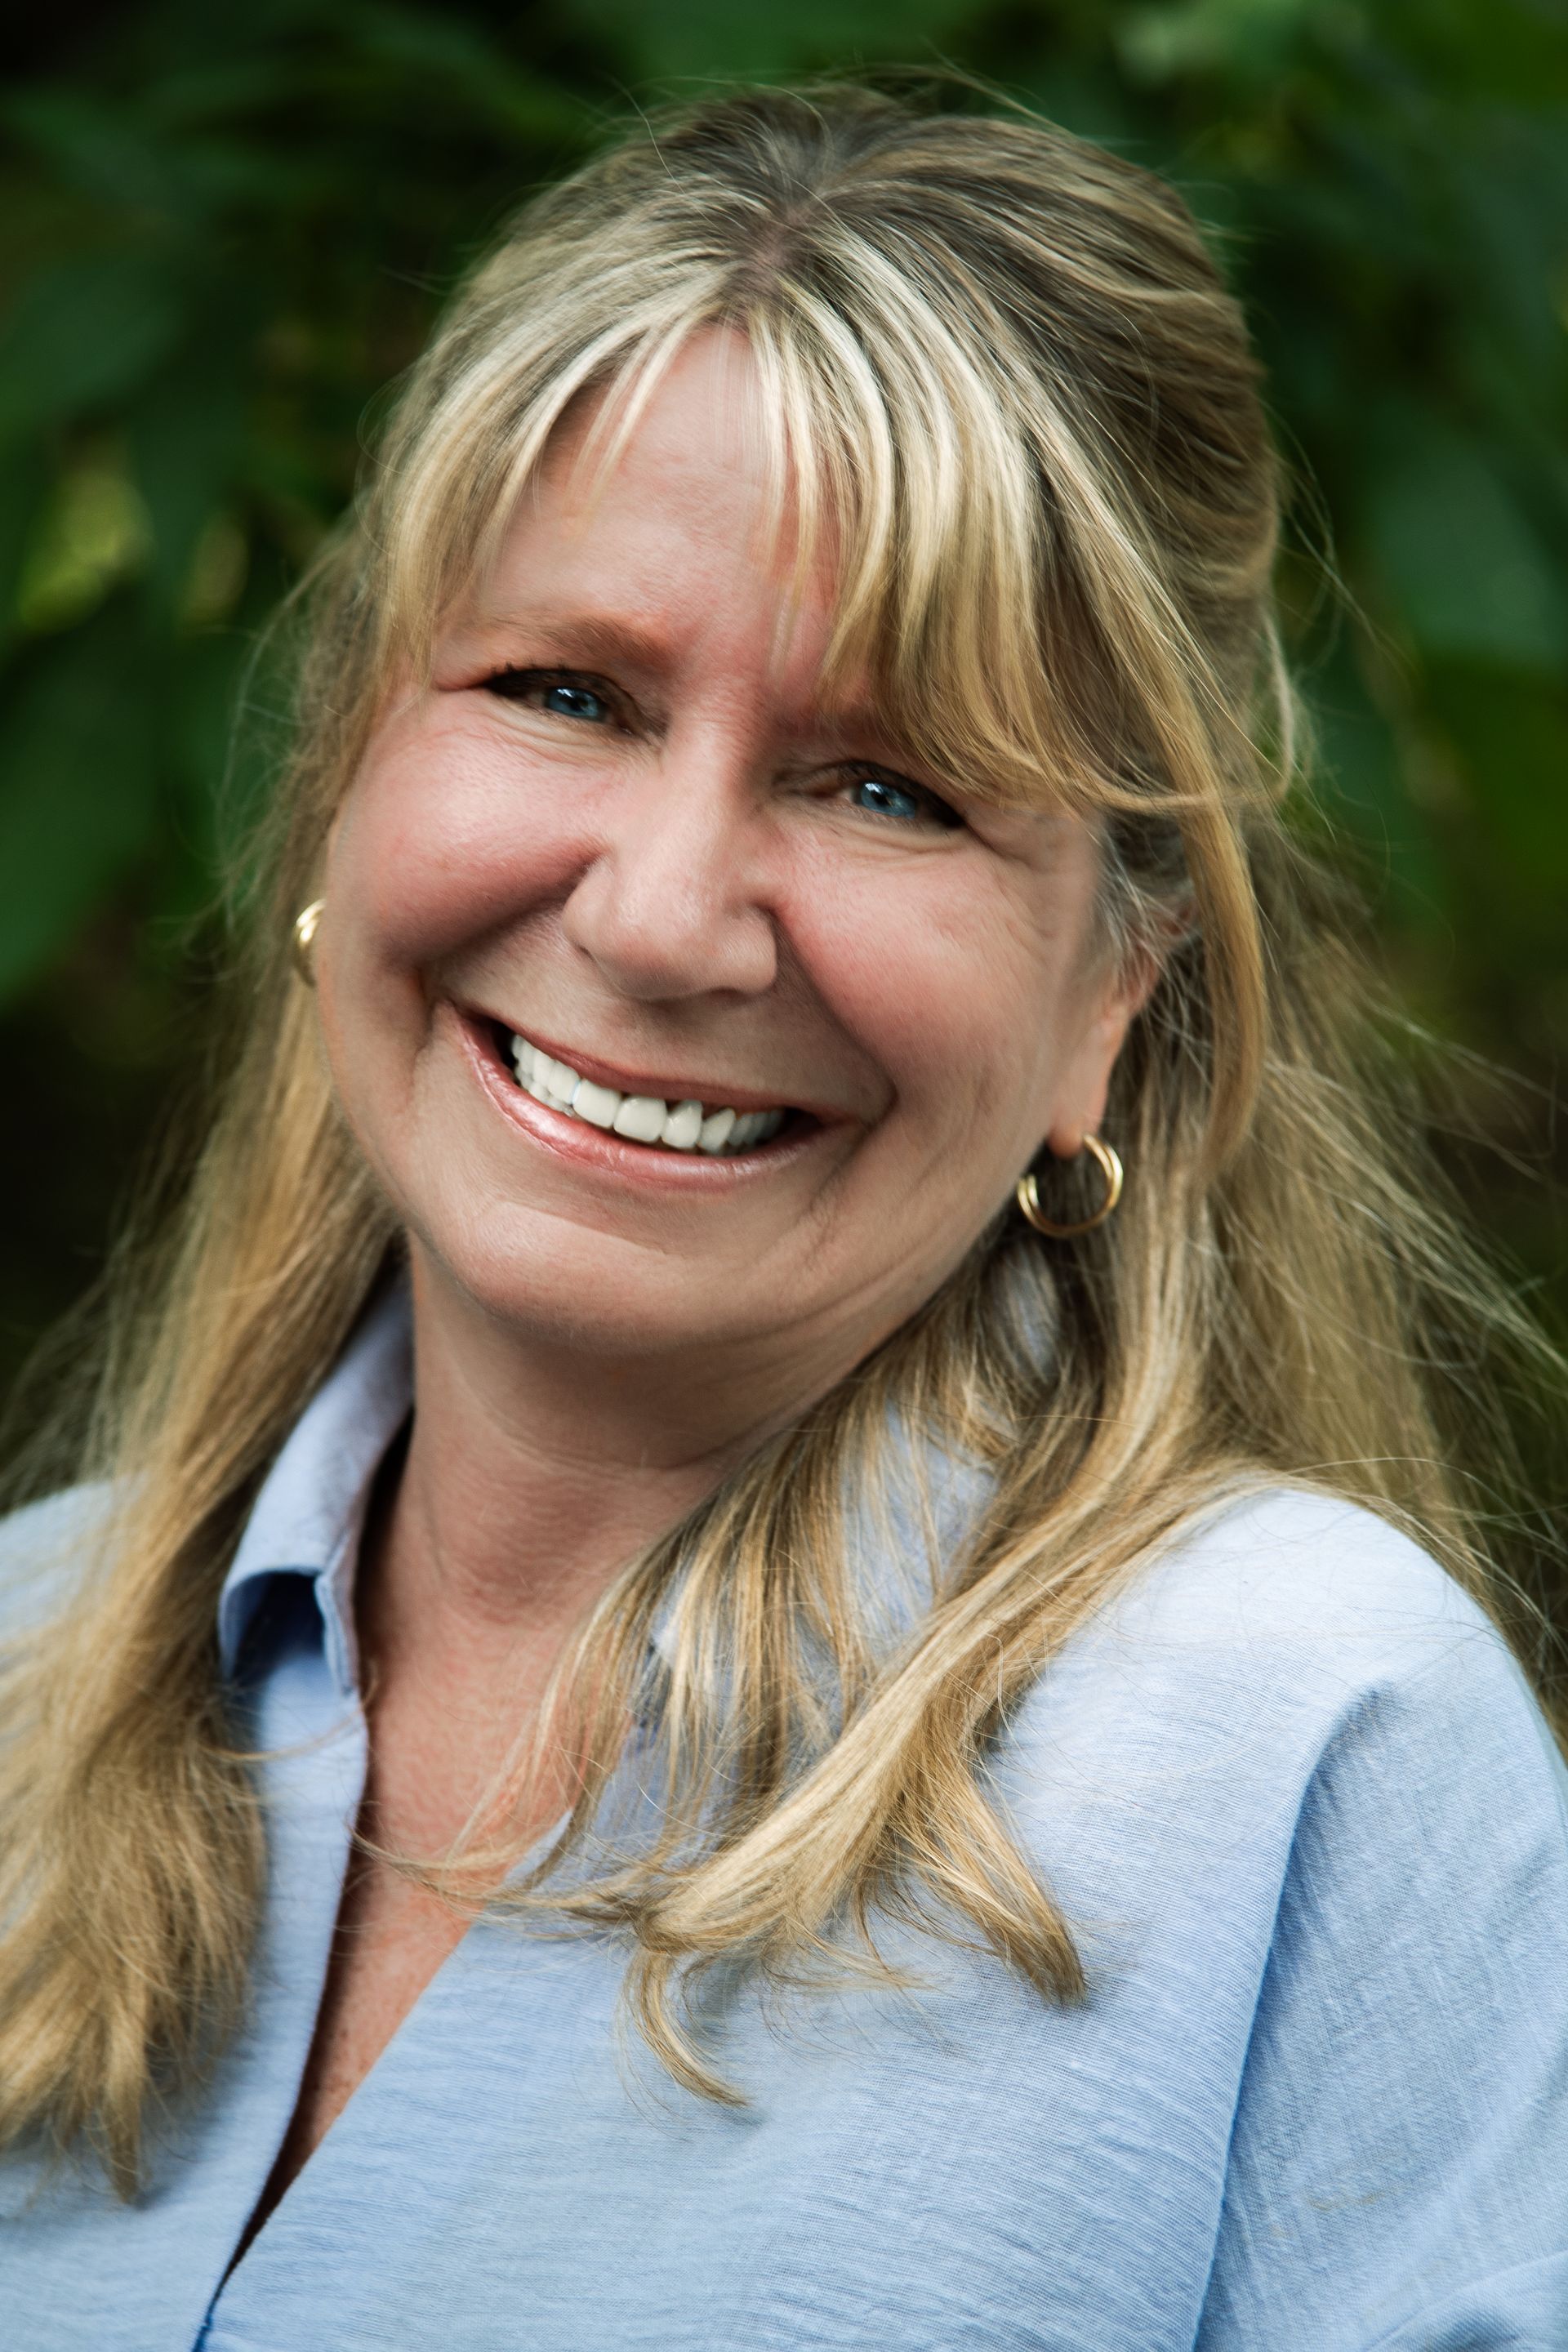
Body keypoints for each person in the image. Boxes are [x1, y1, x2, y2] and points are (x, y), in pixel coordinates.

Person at [1, 82, 1565, 2351]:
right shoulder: (23, 1664)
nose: (660, 920)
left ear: (1108, 1004)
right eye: (566, 694)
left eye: (888, 784)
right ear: (349, 764)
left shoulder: (1301, 1748)